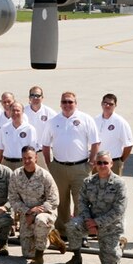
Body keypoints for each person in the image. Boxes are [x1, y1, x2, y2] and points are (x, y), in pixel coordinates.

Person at [41, 91, 99, 236]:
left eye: (70, 102)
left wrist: (91, 163)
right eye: (64, 102)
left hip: (80, 168)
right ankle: (63, 232)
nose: (67, 104)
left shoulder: (86, 119)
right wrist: (50, 165)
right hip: (58, 167)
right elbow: (45, 145)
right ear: (60, 104)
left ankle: (80, 234)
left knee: (81, 202)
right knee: (61, 202)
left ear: (75, 103)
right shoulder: (53, 121)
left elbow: (95, 143)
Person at [66, 150, 128, 264]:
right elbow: (82, 203)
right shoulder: (88, 182)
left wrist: (97, 222)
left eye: (105, 162)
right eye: (99, 163)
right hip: (90, 221)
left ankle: (119, 245)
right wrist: (89, 221)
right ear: (95, 164)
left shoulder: (119, 184)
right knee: (72, 225)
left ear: (111, 164)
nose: (102, 165)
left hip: (111, 225)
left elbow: (119, 210)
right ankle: (76, 256)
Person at [8, 147, 60, 264]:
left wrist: (35, 213)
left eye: (30, 158)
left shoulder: (44, 175)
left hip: (45, 213)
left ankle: (39, 255)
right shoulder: (16, 175)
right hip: (26, 214)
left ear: (36, 158)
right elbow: (13, 198)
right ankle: (51, 236)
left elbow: (54, 199)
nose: (27, 161)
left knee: (40, 220)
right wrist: (28, 211)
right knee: (27, 254)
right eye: (24, 158)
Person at [96, 93, 133, 176]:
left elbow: (129, 145)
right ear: (101, 104)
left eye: (111, 104)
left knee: (113, 184)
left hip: (113, 162)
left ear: (115, 105)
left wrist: (120, 160)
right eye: (105, 103)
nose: (107, 106)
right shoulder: (96, 120)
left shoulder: (120, 122)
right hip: (97, 162)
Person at [0, 101, 36, 170]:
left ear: (23, 112)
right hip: (6, 163)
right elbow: (0, 148)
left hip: (23, 163)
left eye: (18, 110)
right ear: (10, 112)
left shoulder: (30, 129)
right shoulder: (4, 128)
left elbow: (33, 150)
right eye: (13, 110)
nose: (15, 113)